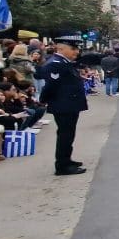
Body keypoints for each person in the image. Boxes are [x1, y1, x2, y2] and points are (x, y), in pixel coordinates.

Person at [36, 35, 89, 176]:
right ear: (61, 48)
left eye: (77, 49)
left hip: (68, 104)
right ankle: (62, 166)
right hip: (64, 105)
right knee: (65, 135)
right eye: (73, 49)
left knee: (68, 134)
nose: (76, 52)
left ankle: (67, 160)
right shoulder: (56, 63)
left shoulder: (63, 62)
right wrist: (43, 100)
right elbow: (50, 86)